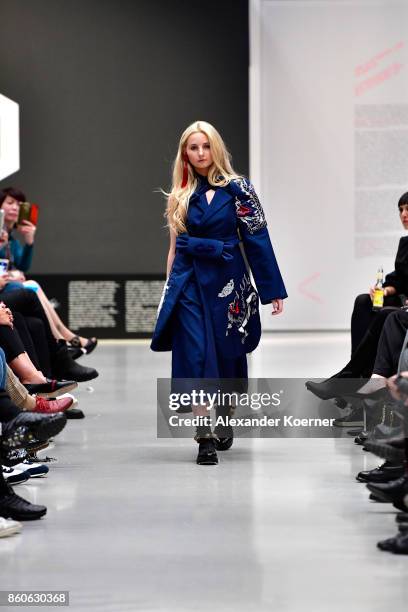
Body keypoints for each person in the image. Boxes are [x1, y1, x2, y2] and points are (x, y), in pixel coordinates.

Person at [151, 121, 287, 465]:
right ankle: (204, 436)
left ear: (216, 149)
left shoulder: (240, 189)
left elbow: (257, 238)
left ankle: (224, 414)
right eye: (193, 148)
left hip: (229, 282)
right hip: (190, 283)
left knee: (227, 354)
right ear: (185, 152)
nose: (200, 153)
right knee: (196, 356)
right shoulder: (180, 194)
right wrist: (170, 291)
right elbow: (173, 249)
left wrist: (272, 289)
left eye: (205, 146)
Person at [306, 192, 408, 400]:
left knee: (386, 315)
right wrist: (385, 290)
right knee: (364, 301)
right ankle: (357, 376)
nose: (404, 214)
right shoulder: (405, 242)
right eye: (401, 210)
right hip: (403, 302)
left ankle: (348, 380)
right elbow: (399, 278)